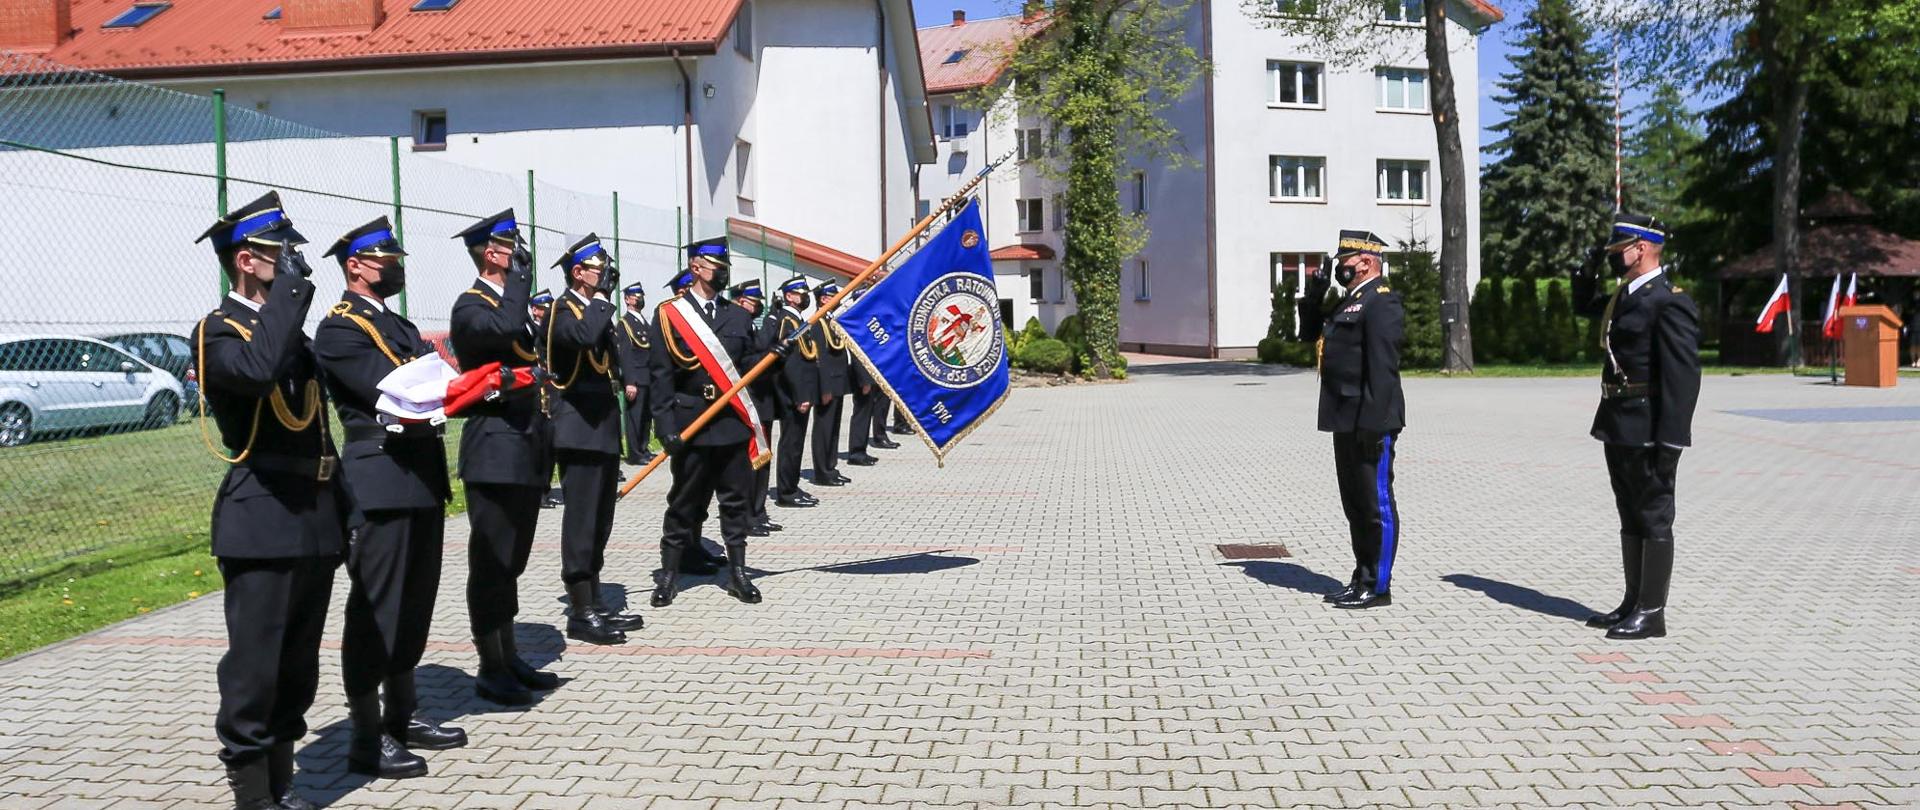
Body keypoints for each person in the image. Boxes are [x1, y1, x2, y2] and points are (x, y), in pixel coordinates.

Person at [194, 192, 343, 810]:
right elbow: (255, 373)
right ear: (246, 261)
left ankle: (282, 787)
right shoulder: (216, 329)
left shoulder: (286, 328)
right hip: (260, 514)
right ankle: (254, 796)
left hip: (310, 513)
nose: (291, 264)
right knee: (256, 666)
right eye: (279, 253)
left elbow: (317, 423)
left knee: (297, 663)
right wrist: (287, 297)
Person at [312, 216, 462, 779]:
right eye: (385, 258)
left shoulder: (392, 321)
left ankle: (404, 711)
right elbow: (400, 389)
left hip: (418, 474)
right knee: (378, 609)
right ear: (355, 265)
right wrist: (459, 387)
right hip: (379, 475)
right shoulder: (340, 329)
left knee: (415, 603)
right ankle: (365, 734)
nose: (395, 265)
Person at [447, 210, 559, 707]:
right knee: (490, 562)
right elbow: (507, 326)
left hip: (526, 444)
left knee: (511, 560)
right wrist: (520, 281)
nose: (520, 255)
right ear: (492, 253)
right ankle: (489, 666)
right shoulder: (471, 306)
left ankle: (509, 654)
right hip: (494, 448)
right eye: (512, 246)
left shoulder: (502, 301)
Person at [1574, 213, 1701, 640]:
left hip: (1649, 426)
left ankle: (1652, 611)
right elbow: (1582, 306)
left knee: (1654, 515)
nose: (1613, 258)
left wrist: (1671, 439)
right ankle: (1632, 601)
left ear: (1641, 248)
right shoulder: (1626, 296)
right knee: (1630, 513)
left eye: (1616, 251)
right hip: (1619, 422)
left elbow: (1683, 379)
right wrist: (1586, 270)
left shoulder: (1669, 300)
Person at [648, 237, 772, 607]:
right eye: (716, 267)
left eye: (725, 268)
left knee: (735, 502)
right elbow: (660, 375)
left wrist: (774, 356)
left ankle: (737, 574)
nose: (722, 274)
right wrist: (664, 425)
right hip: (692, 424)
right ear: (696, 267)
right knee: (684, 503)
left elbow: (747, 366)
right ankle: (670, 575)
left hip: (731, 424)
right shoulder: (671, 315)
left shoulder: (737, 315)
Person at [546, 234, 642, 644]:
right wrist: (603, 299)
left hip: (601, 427)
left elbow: (609, 361)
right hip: (577, 428)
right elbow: (583, 339)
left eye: (604, 269)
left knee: (601, 520)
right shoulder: (561, 310)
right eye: (597, 269)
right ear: (577, 272)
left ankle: (597, 600)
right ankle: (580, 609)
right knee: (582, 520)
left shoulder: (593, 309)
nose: (604, 275)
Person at [1312, 230, 1405, 611]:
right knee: (1354, 503)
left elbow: (1383, 370)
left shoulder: (1381, 302)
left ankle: (1377, 585)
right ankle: (1360, 575)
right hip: (1344, 417)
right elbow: (1308, 334)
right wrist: (1315, 296)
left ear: (1366, 262)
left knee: (1374, 504)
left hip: (1370, 422)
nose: (1339, 270)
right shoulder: (1349, 302)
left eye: (1344, 264)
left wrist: (1375, 422)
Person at [730, 279, 785, 536]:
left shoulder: (748, 323)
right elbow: (757, 352)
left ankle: (758, 511)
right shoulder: (738, 324)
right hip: (749, 402)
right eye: (755, 302)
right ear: (742, 301)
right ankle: (748, 515)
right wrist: (774, 319)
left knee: (763, 461)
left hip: (763, 401)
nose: (758, 307)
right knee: (753, 460)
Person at [773, 276, 821, 508]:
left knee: (796, 443)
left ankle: (791, 484)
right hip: (793, 396)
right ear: (790, 296)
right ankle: (786, 492)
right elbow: (791, 364)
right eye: (801, 294)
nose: (806, 297)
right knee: (790, 443)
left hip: (802, 393)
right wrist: (800, 395)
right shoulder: (788, 322)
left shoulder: (798, 321)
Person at [809, 280, 853, 487]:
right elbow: (821, 359)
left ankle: (831, 466)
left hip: (838, 382)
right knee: (823, 429)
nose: (836, 300)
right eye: (832, 296)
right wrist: (824, 388)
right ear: (824, 299)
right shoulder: (817, 323)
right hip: (827, 385)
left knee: (834, 428)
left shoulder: (831, 320)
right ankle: (821, 471)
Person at [615, 281, 656, 466]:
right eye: (635, 296)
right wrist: (629, 381)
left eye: (641, 296)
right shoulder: (625, 323)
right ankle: (634, 453)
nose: (639, 299)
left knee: (646, 417)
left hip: (648, 377)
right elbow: (626, 354)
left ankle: (643, 448)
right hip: (636, 378)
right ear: (627, 300)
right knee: (635, 417)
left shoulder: (643, 321)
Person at [843, 290, 882, 466]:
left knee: (866, 413)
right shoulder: (857, 321)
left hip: (871, 375)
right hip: (863, 377)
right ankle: (856, 452)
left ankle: (861, 449)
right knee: (861, 413)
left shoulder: (865, 319)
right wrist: (864, 380)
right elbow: (857, 354)